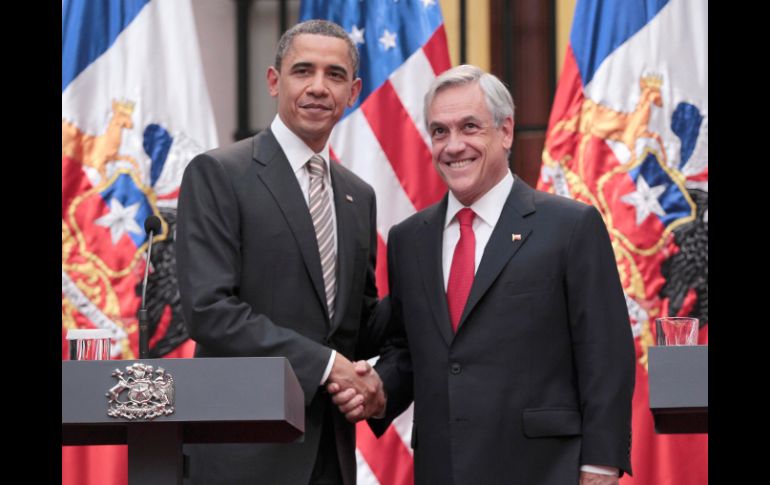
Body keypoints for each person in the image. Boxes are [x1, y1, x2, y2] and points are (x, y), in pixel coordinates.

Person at [329, 65, 635, 485]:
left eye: (469, 127)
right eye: (439, 132)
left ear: (505, 131)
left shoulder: (570, 226)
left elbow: (606, 356)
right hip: (443, 468)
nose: (453, 146)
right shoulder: (409, 239)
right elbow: (409, 348)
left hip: (546, 470)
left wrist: (599, 466)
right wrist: (378, 390)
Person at [176, 19, 386, 485]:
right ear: (274, 81)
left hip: (330, 455)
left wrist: (435, 275)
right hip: (242, 453)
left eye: (334, 75)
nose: (317, 87)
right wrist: (329, 366)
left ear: (352, 93)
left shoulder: (358, 195)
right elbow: (210, 310)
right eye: (302, 71)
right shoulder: (219, 174)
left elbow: (357, 322)